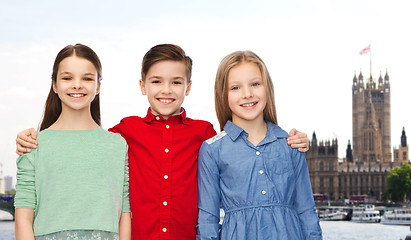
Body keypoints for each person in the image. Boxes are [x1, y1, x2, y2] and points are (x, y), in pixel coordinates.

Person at [15, 44, 310, 240]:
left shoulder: (205, 134)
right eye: (156, 81)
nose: (166, 90)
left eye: (176, 82)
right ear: (142, 86)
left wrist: (291, 139)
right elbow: (85, 144)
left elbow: (242, 150)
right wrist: (31, 138)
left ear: (188, 87)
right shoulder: (124, 132)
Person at [196, 50, 322, 239]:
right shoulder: (213, 150)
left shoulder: (291, 144)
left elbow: (306, 211)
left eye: (255, 84)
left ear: (267, 88)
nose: (247, 94)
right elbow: (208, 220)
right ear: (223, 94)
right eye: (235, 88)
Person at [14, 44, 131, 240]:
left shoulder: (117, 145)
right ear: (54, 85)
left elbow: (124, 214)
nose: (77, 85)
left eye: (87, 78)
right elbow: (23, 218)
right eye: (67, 78)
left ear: (98, 86)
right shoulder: (34, 144)